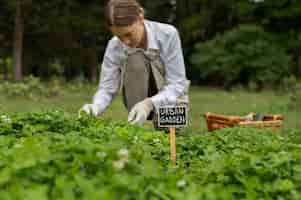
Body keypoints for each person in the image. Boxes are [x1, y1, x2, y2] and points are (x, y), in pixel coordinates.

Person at [80, 0, 190, 128]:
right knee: (135, 58)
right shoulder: (114, 46)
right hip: (136, 102)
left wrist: (149, 104)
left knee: (169, 138)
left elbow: (177, 84)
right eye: (120, 37)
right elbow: (107, 88)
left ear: (141, 17)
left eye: (128, 34)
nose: (125, 42)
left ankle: (164, 125)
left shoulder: (168, 34)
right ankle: (136, 123)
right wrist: (95, 107)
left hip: (172, 100)